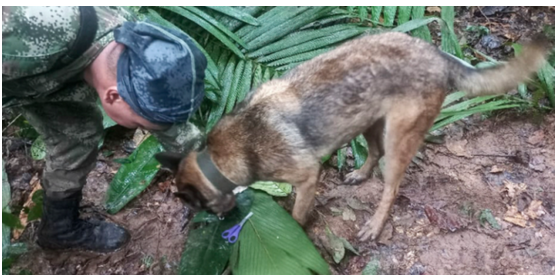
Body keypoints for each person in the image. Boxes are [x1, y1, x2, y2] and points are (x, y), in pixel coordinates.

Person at [2, 6, 207, 252]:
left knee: (77, 134)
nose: (144, 128)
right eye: (140, 124)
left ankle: (59, 229)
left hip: (48, 76)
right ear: (112, 96)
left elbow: (162, 119)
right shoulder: (23, 32)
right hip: (23, 66)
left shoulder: (133, 47)